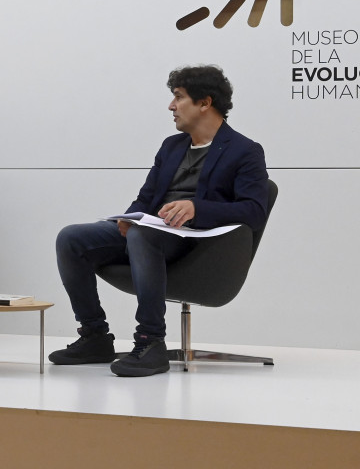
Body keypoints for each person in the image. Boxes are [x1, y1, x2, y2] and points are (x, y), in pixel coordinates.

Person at [50, 65, 268, 377]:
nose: (171, 106)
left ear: (205, 103)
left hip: (199, 241)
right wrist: (129, 218)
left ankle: (151, 342)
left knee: (143, 237)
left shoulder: (244, 151)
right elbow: (147, 197)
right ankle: (95, 336)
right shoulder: (172, 146)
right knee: (71, 238)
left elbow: (254, 210)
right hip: (154, 230)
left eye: (178, 98)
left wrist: (197, 208)